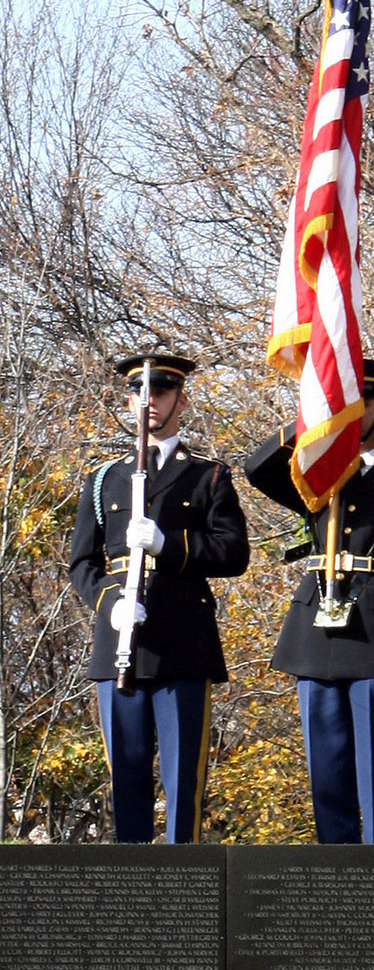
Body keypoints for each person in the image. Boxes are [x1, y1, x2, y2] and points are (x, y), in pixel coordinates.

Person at [242, 360, 374, 844]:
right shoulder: (318, 474)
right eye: (346, 402)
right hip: (315, 636)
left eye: (363, 402)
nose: (352, 412)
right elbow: (257, 467)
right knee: (326, 783)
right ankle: (334, 880)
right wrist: (315, 415)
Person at [68, 350, 250, 841]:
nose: (149, 400)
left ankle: (184, 879)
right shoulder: (103, 479)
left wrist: (169, 545)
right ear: (129, 402)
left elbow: (234, 553)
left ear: (181, 401)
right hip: (120, 644)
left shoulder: (208, 475)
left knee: (183, 780)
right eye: (140, 391)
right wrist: (112, 605)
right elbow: (81, 564)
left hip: (183, 643)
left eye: (162, 391)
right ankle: (134, 882)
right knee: (125, 779)